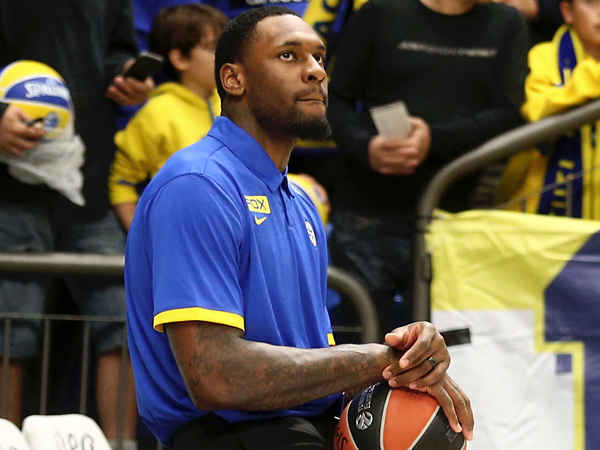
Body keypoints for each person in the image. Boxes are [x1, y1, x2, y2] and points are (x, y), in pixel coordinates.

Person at [125, 6, 474, 449]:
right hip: (227, 436)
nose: (315, 71)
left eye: (319, 57)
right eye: (288, 55)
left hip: (304, 428)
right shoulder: (198, 183)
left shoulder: (302, 203)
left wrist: (409, 361)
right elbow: (217, 378)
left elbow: (310, 373)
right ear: (233, 79)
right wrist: (372, 359)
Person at [325, 0, 529, 335]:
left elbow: (509, 114)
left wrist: (434, 139)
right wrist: (367, 147)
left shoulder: (507, 22)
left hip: (454, 217)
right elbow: (335, 100)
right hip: (367, 210)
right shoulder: (380, 12)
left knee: (444, 352)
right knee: (367, 346)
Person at [0, 1, 151, 447]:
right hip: (9, 188)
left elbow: (115, 51)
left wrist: (127, 77)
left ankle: (121, 444)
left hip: (87, 182)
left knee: (124, 322)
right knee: (7, 334)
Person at [109, 4, 228, 231]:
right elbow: (121, 183)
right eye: (214, 48)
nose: (226, 57)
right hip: (180, 236)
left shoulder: (233, 104)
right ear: (180, 58)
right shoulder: (155, 114)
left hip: (234, 233)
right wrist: (145, 240)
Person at [498, 0, 600, 219]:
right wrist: (594, 77)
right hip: (538, 216)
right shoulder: (542, 57)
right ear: (567, 11)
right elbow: (536, 109)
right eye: (591, 2)